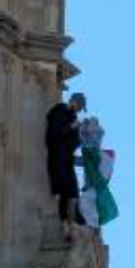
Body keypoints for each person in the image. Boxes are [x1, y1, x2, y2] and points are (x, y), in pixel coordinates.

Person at [45, 93, 87, 232]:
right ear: (74, 102)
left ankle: (72, 222)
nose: (79, 110)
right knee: (64, 192)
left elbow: (73, 143)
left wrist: (81, 134)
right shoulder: (59, 111)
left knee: (73, 192)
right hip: (58, 159)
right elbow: (54, 134)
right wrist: (71, 127)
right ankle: (65, 225)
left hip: (67, 159)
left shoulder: (72, 117)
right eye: (79, 106)